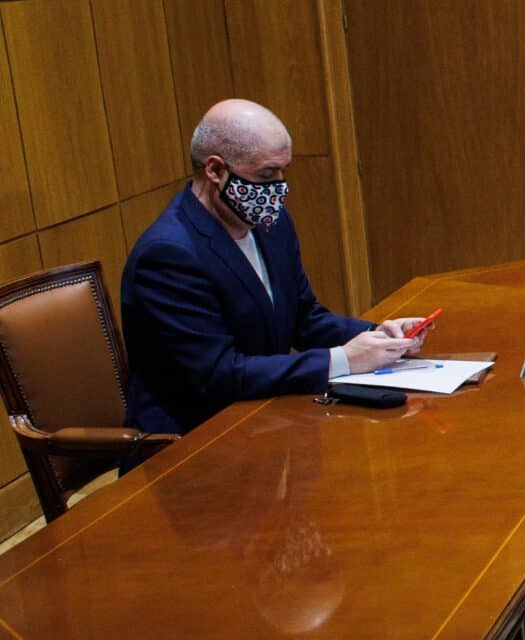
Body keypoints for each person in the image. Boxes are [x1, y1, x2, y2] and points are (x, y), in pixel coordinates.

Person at [122, 100, 432, 434]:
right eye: (266, 175)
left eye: (284, 171)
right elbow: (217, 375)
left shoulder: (272, 225)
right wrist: (342, 360)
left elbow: (305, 317)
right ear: (215, 171)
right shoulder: (168, 255)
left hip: (265, 419)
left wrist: (376, 336)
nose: (279, 189)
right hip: (191, 441)